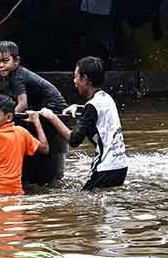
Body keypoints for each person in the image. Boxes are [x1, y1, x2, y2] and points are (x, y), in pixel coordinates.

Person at [40, 56, 128, 190]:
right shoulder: (106, 97)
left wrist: (51, 117)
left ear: (85, 79)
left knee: (85, 203)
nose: (74, 81)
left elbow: (74, 139)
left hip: (106, 168)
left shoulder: (92, 106)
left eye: (76, 76)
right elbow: (96, 113)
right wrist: (79, 106)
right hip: (121, 166)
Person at [0, 94, 49, 195]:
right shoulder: (22, 132)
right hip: (16, 191)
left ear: (9, 117)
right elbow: (45, 148)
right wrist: (36, 121)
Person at [0, 40, 67, 114]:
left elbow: (23, 105)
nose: (1, 65)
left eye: (5, 61)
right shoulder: (14, 74)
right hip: (45, 107)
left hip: (54, 108)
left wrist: (6, 118)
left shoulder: (17, 77)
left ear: (16, 61)